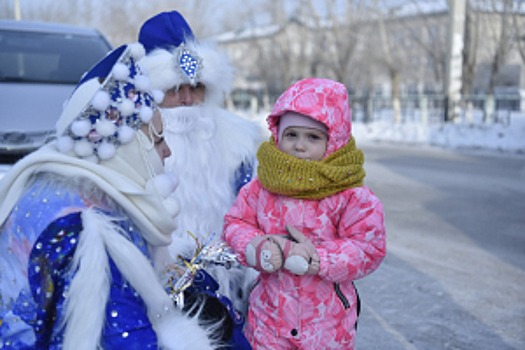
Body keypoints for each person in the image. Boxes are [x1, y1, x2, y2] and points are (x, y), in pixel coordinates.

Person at [0, 43, 220, 349]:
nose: (167, 151)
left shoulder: (47, 185)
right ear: (126, 150)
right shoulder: (97, 232)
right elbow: (126, 339)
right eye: (157, 141)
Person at [222, 78, 387, 349]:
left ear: (334, 141)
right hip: (269, 319)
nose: (299, 146)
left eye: (313, 137)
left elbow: (368, 247)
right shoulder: (261, 188)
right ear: (278, 135)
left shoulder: (351, 195)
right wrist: (256, 245)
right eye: (291, 135)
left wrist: (318, 258)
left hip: (326, 326)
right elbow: (235, 223)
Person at [137, 11, 264, 316]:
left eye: (196, 87)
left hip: (230, 290)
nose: (187, 100)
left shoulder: (240, 144)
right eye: (174, 90)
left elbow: (255, 215)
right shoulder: (132, 146)